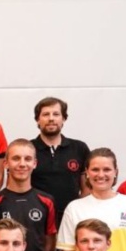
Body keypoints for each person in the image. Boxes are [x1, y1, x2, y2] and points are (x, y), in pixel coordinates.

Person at [0, 140, 57, 251]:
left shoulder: (46, 201)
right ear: (6, 163)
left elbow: (50, 243)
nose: (22, 164)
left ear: (35, 163)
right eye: (16, 158)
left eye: (27, 159)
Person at [29, 97, 90, 226]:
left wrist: (79, 211)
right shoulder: (28, 149)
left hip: (71, 218)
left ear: (64, 119)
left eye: (56, 114)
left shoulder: (79, 148)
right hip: (36, 217)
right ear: (37, 120)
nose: (51, 118)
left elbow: (87, 189)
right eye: (46, 114)